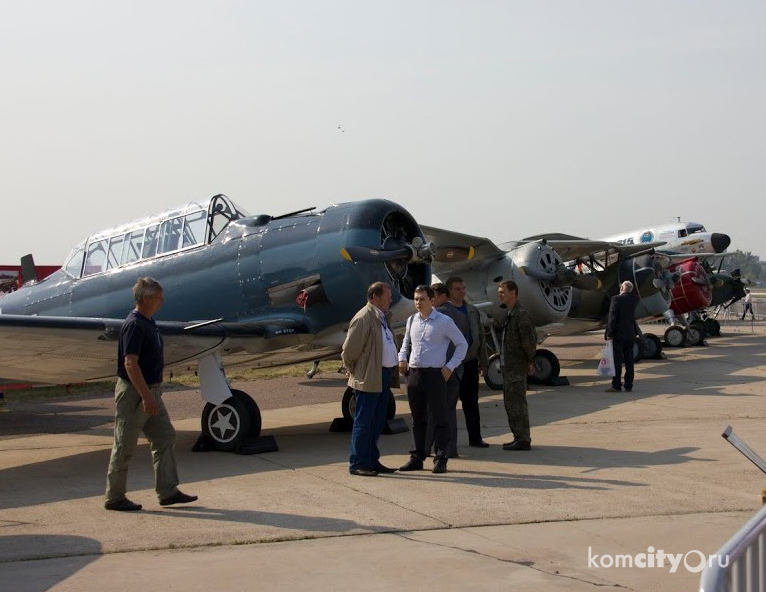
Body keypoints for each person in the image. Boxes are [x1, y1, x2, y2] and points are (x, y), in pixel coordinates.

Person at [105, 277, 197, 511]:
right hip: (135, 393)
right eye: (158, 296)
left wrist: (151, 394)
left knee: (165, 437)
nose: (162, 300)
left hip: (151, 391)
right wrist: (146, 396)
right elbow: (130, 364)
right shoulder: (135, 325)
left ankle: (167, 492)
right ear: (146, 298)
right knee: (124, 446)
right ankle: (114, 498)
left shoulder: (148, 321)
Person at [398, 285, 468, 473]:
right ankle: (416, 457)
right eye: (415, 299)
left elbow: (462, 344)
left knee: (439, 418)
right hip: (414, 374)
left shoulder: (444, 321)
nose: (418, 303)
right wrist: (402, 358)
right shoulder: (412, 320)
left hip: (435, 375)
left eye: (422, 299)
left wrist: (450, 366)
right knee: (417, 418)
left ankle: (441, 458)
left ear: (432, 300)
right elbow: (405, 343)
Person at [341, 282, 399, 477]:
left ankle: (372, 460)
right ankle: (357, 463)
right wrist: (354, 371)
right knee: (364, 421)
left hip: (382, 375)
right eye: (387, 296)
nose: (390, 299)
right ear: (375, 297)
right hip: (368, 377)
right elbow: (349, 351)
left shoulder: (381, 317)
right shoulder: (363, 318)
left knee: (377, 420)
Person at [443, 277, 490, 448]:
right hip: (451, 365)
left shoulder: (471, 311)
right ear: (449, 291)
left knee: (471, 401)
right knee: (449, 403)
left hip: (470, 362)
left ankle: (475, 438)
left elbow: (480, 338)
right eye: (457, 289)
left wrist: (484, 363)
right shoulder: (443, 312)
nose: (462, 291)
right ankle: (447, 442)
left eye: (463, 288)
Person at [497, 280, 537, 451]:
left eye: (503, 291)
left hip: (517, 367)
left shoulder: (521, 314)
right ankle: (518, 437)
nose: (500, 294)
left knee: (517, 404)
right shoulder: (510, 314)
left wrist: (530, 361)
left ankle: (523, 439)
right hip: (509, 367)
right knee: (510, 404)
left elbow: (529, 341)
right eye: (499, 292)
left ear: (514, 293)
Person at [424, 282, 462, 458]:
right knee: (450, 411)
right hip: (457, 369)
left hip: (439, 371)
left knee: (433, 411)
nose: (430, 303)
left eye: (432, 298)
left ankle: (426, 448)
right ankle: (450, 449)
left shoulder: (436, 316)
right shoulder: (462, 314)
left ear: (440, 297)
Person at [604, 280, 641, 393]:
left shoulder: (616, 299)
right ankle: (629, 385)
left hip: (618, 334)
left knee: (617, 360)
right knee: (629, 360)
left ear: (621, 289)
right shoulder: (635, 299)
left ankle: (616, 385)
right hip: (630, 334)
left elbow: (612, 318)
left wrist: (609, 333)